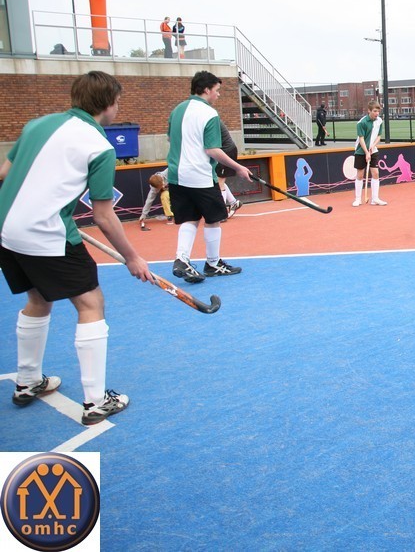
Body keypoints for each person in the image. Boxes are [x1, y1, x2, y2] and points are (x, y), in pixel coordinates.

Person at [0, 70, 154, 425]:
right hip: (44, 233)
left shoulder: (36, 125)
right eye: (118, 102)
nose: (118, 108)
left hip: (7, 228)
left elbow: (5, 173)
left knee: (39, 298)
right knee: (90, 303)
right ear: (108, 104)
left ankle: (28, 381)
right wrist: (132, 257)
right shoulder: (100, 146)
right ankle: (96, 402)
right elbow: (103, 215)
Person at [167, 71, 252, 283]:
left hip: (176, 175)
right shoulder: (209, 114)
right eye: (217, 90)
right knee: (214, 219)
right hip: (200, 175)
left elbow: (171, 139)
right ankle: (213, 264)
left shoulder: (177, 110)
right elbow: (212, 149)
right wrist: (238, 167)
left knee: (190, 218)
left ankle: (181, 259)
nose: (218, 94)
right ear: (206, 90)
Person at [353, 100, 387, 207]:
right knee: (360, 174)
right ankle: (358, 199)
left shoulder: (379, 121)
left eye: (378, 111)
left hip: (373, 150)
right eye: (375, 111)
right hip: (361, 151)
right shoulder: (361, 123)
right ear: (369, 111)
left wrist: (373, 146)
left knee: (376, 173)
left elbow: (379, 136)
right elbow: (361, 139)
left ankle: (375, 199)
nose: (377, 113)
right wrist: (366, 152)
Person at [216, 120, 243, 219]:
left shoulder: (212, 121)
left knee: (219, 182)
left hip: (227, 152)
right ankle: (233, 202)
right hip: (221, 152)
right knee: (217, 180)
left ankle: (221, 213)